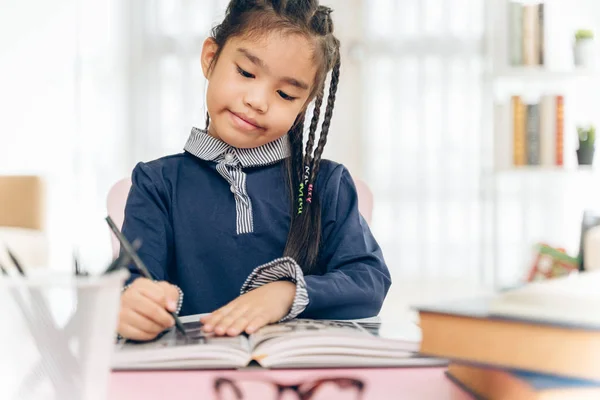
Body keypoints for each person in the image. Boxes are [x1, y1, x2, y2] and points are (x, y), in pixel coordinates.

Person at [117, 0, 391, 342]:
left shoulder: (325, 184)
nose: (258, 100)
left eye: (285, 94)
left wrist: (286, 294)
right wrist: (130, 304)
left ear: (304, 105)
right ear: (210, 58)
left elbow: (369, 280)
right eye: (246, 73)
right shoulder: (156, 183)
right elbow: (131, 282)